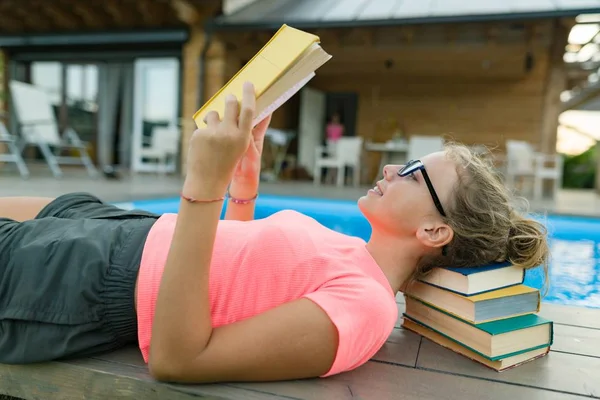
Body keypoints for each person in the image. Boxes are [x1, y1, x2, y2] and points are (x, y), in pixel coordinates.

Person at [0, 82, 549, 384]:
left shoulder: (366, 308)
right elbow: (229, 287)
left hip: (94, 281)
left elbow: (179, 358)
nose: (389, 171)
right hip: (120, 230)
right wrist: (242, 189)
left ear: (433, 230)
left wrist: (203, 189)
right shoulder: (351, 254)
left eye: (412, 173)